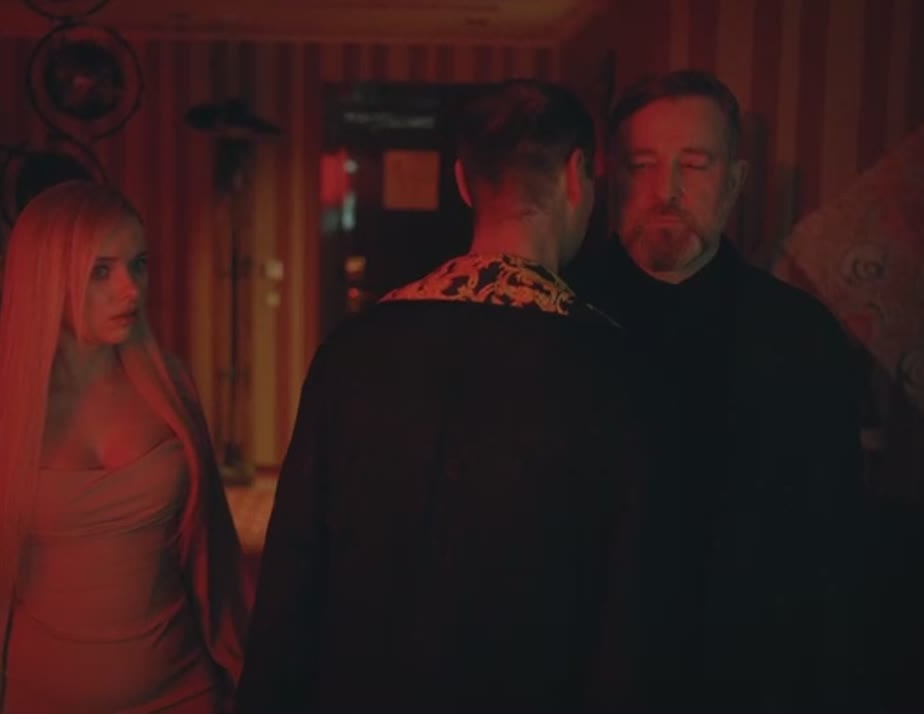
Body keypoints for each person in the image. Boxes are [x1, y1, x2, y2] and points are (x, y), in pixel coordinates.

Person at [236, 80, 655, 713]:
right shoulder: (615, 369)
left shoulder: (353, 350)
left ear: (462, 181)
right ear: (577, 177)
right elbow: (626, 616)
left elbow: (292, 577)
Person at [565, 69, 867, 711]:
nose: (665, 191)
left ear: (734, 181)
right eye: (642, 165)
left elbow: (833, 542)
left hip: (749, 676)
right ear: (610, 177)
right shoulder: (555, 319)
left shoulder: (800, 336)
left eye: (695, 166)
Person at [0, 181, 246, 713]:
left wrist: (246, 676)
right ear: (47, 277)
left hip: (185, 691)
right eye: (101, 271)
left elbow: (214, 558)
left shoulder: (170, 384)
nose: (131, 290)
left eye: (138, 265)